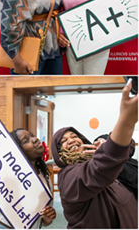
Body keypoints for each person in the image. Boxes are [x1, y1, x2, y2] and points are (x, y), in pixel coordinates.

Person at [51, 79, 137, 228]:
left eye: (74, 136)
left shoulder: (91, 159)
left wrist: (103, 148)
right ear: (58, 153)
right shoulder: (68, 177)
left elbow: (126, 152)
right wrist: (127, 119)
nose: (71, 141)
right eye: (63, 141)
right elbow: (99, 168)